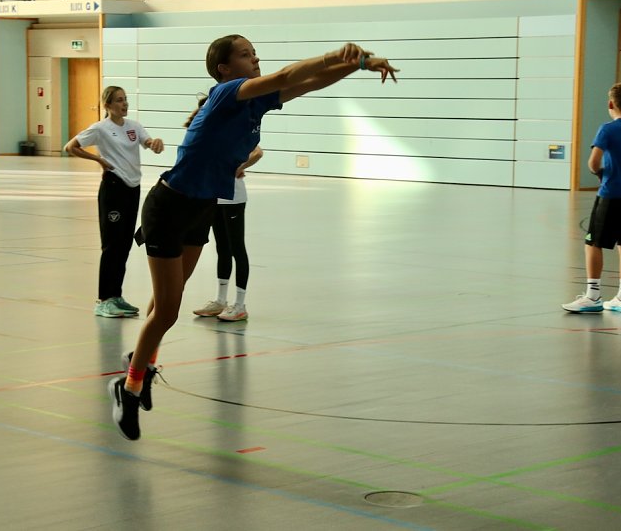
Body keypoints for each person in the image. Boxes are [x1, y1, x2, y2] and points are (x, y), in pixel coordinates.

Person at [108, 35, 397, 440]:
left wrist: (360, 64)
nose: (255, 57)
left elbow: (308, 83)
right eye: (245, 54)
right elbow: (287, 74)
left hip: (201, 209)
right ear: (224, 68)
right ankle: (130, 385)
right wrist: (335, 53)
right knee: (168, 312)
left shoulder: (255, 103)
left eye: (254, 51)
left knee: (162, 305)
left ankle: (139, 356)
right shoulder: (227, 93)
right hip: (168, 207)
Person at [64, 86, 164, 318]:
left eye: (125, 99)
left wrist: (155, 143)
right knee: (111, 245)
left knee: (124, 244)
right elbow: (71, 147)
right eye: (119, 100)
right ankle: (104, 299)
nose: (124, 104)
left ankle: (116, 296)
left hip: (133, 187)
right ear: (108, 105)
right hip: (114, 187)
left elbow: (148, 143)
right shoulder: (100, 129)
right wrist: (98, 159)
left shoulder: (133, 126)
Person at [562, 82, 621, 314]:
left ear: (610, 103)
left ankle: (593, 296)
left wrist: (603, 174)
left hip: (611, 193)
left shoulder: (607, 129)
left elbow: (593, 163)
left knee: (593, 242)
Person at [193, 145, 263, 322]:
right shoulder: (211, 135)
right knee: (222, 249)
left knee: (237, 248)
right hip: (214, 197)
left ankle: (240, 305)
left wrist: (240, 167)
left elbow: (258, 152)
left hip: (234, 197)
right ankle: (220, 300)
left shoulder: (235, 133)